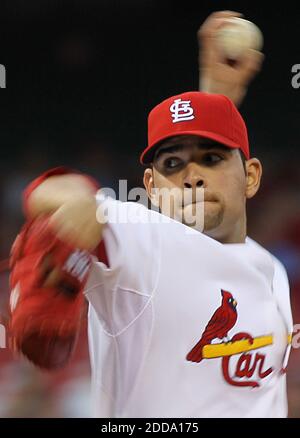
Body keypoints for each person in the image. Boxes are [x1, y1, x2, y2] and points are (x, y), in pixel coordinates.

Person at [9, 11, 293, 417]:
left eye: (211, 160)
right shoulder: (143, 242)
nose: (192, 177)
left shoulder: (271, 269)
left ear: (251, 177)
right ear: (153, 187)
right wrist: (82, 201)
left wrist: (217, 97)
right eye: (172, 167)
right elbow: (47, 193)